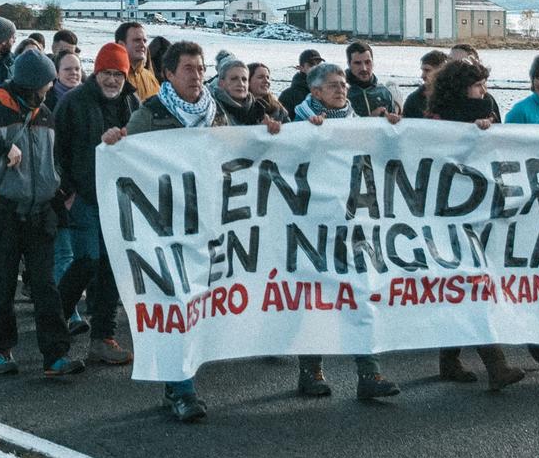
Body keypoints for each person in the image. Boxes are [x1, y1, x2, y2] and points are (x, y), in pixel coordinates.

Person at [128, 41, 283, 420]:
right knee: (176, 303)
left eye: (200, 68)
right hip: (167, 230)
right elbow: (127, 165)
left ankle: (182, 379)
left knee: (203, 303)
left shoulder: (216, 116)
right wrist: (116, 144)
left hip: (210, 226)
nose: (197, 76)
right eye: (188, 69)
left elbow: (232, 160)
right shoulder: (150, 115)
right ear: (168, 73)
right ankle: (181, 388)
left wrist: (268, 137)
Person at [0, 48, 83, 379]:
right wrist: (1, 147)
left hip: (41, 212)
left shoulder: (45, 113)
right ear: (33, 84)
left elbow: (55, 160)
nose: (48, 90)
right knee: (2, 285)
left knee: (45, 286)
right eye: (45, 84)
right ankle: (1, 350)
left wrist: (61, 191)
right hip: (5, 211)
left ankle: (55, 356)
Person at [292, 62, 403, 404]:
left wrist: (394, 131)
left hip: (356, 225)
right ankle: (311, 371)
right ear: (315, 92)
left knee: (360, 294)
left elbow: (389, 160)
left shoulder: (360, 125)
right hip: (312, 226)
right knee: (314, 298)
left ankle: (369, 373)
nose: (342, 89)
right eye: (333, 85)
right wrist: (307, 138)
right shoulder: (296, 123)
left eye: (343, 84)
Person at [425, 58, 523, 392]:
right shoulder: (438, 119)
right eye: (478, 85)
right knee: (471, 284)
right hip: (448, 215)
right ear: (461, 87)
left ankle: (448, 359)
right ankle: (496, 366)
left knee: (465, 286)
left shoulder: (487, 113)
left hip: (478, 212)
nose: (484, 91)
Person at [55, 41, 138, 366]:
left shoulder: (132, 102)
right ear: (97, 72)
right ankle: (55, 317)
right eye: (107, 73)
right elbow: (57, 149)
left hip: (117, 198)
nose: (112, 80)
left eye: (118, 74)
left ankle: (103, 336)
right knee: (87, 260)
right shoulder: (74, 103)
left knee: (112, 267)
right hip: (84, 196)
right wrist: (67, 192)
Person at [344, 41, 400, 120]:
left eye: (367, 62)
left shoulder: (384, 92)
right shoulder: (341, 93)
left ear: (373, 62)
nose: (364, 68)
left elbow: (393, 128)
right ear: (349, 64)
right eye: (357, 63)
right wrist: (370, 120)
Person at [211, 56, 275, 125]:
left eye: (244, 79)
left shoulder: (260, 109)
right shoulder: (211, 109)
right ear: (221, 83)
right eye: (234, 79)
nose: (240, 83)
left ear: (248, 83)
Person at [116, 21, 157, 101]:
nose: (143, 45)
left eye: (144, 41)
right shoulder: (110, 78)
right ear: (121, 45)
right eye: (137, 40)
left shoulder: (150, 77)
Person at [403, 49, 449, 119]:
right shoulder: (414, 99)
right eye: (422, 71)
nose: (422, 76)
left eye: (427, 70)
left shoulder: (454, 99)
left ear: (442, 71)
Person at [279, 48, 324, 118]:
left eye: (319, 64)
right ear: (301, 68)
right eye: (311, 65)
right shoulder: (288, 96)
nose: (316, 68)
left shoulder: (328, 91)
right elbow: (284, 124)